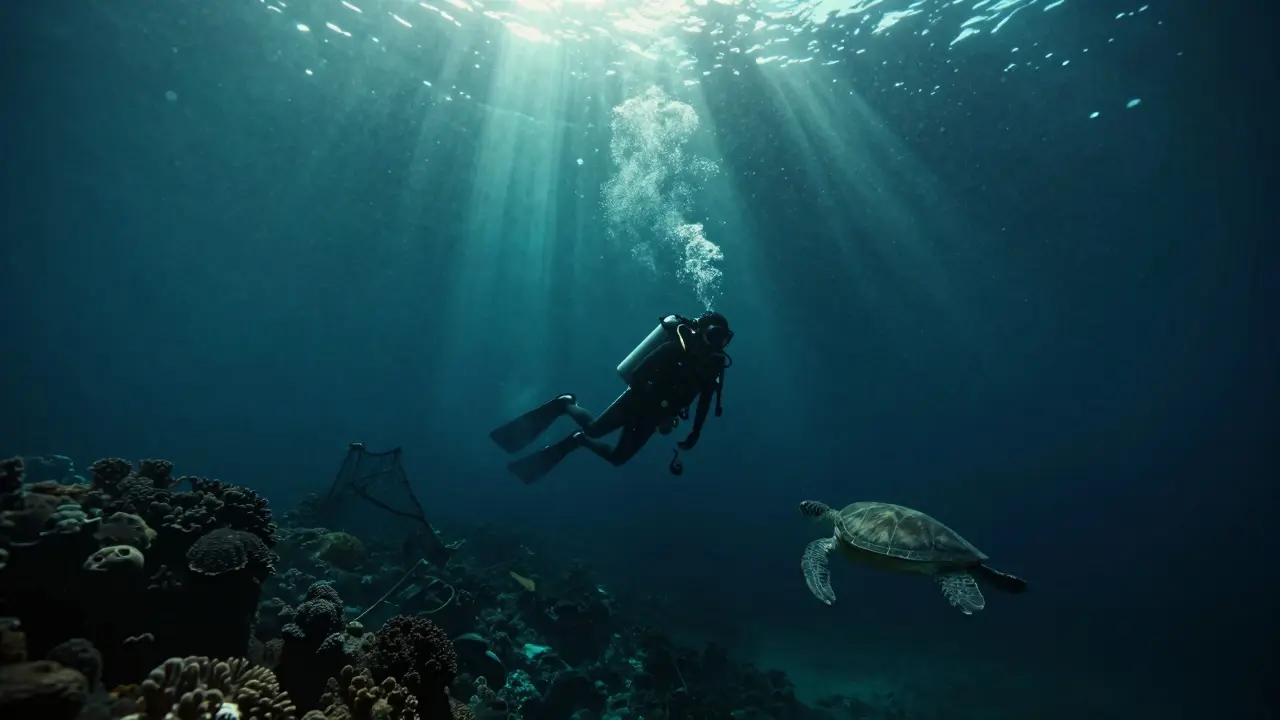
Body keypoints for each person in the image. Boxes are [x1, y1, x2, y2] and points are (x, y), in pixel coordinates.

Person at [489, 311, 734, 484]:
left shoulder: (713, 366)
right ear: (702, 331)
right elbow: (638, 374)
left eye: (724, 339)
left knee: (618, 458)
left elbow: (705, 400)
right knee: (595, 430)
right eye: (715, 335)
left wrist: (695, 433)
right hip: (637, 401)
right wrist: (657, 405)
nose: (718, 344)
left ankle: (577, 440)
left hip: (655, 415)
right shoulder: (676, 348)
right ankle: (565, 403)